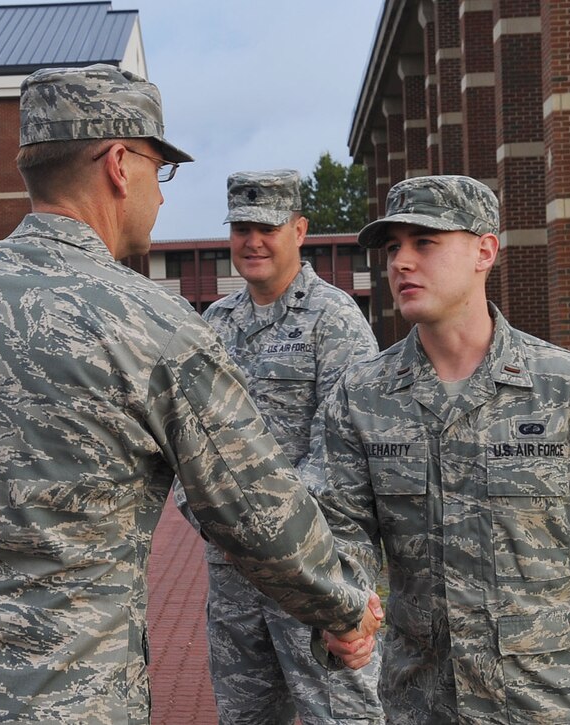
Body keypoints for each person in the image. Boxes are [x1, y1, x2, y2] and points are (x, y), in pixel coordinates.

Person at [0, 63, 382, 724]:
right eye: (160, 169)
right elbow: (255, 507)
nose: (162, 195)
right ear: (120, 163)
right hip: (68, 693)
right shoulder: (152, 324)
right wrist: (343, 605)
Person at [319, 174, 570, 724]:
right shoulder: (362, 395)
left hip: (547, 700)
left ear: (485, 250)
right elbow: (343, 536)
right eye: (392, 248)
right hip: (423, 701)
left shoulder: (565, 386)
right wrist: (342, 615)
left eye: (425, 242)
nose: (401, 263)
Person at [178, 169, 382, 724]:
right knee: (246, 715)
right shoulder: (214, 324)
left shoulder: (334, 319)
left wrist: (265, 525)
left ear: (299, 229)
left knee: (339, 713)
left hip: (313, 566)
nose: (253, 241)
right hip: (234, 573)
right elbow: (187, 442)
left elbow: (344, 447)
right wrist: (215, 518)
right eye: (241, 227)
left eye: (267, 227)